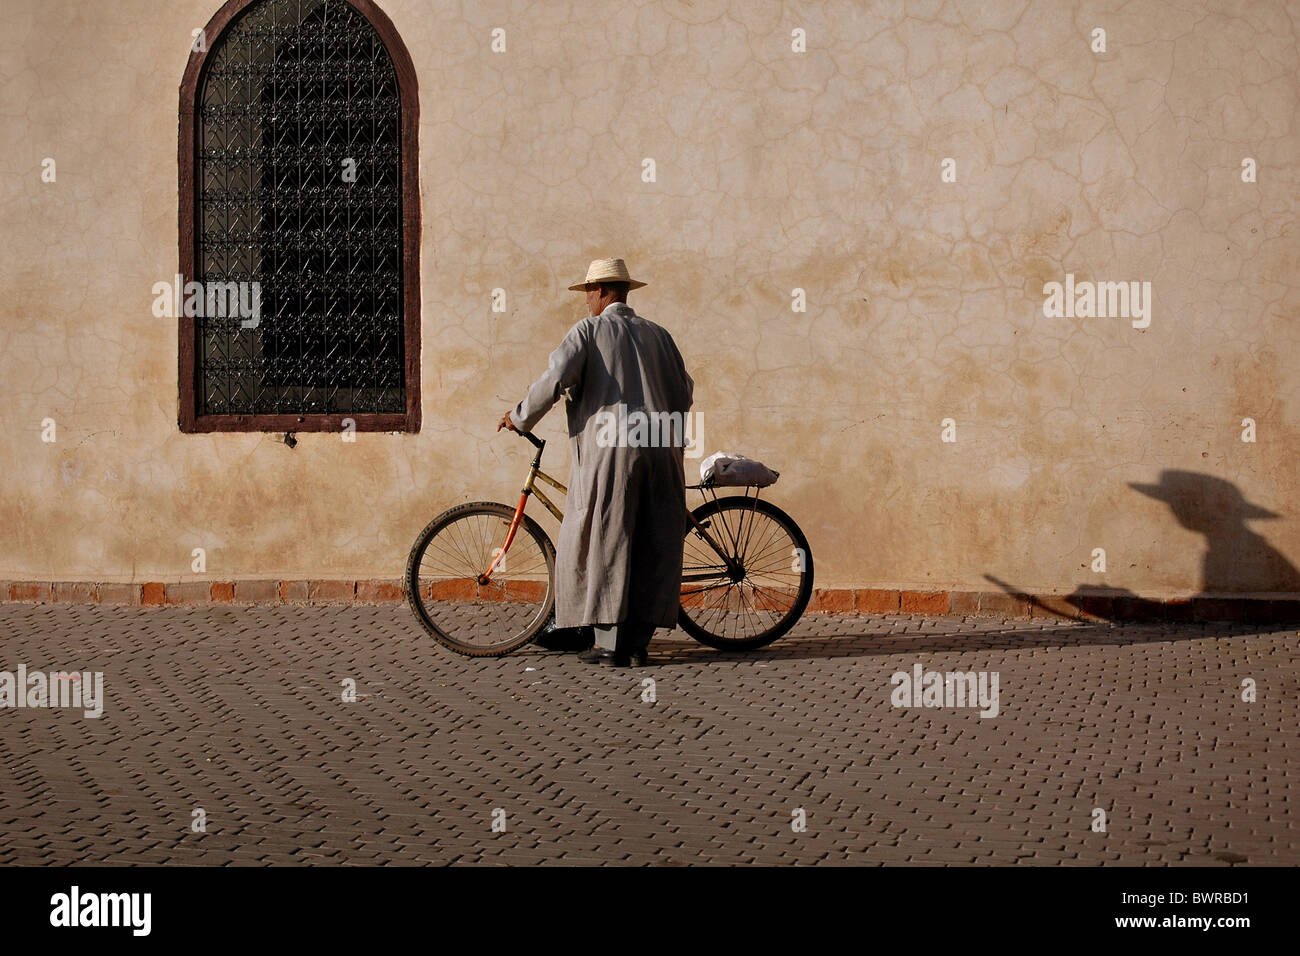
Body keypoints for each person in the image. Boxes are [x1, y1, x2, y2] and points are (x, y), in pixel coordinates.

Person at [498, 258, 694, 667]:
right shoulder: (659, 335)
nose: (586, 300)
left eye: (588, 292)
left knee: (607, 538)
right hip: (663, 447)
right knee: (651, 541)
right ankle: (637, 644)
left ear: (602, 292)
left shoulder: (588, 331)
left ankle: (609, 644)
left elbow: (554, 380)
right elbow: (684, 390)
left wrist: (519, 418)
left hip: (613, 451)